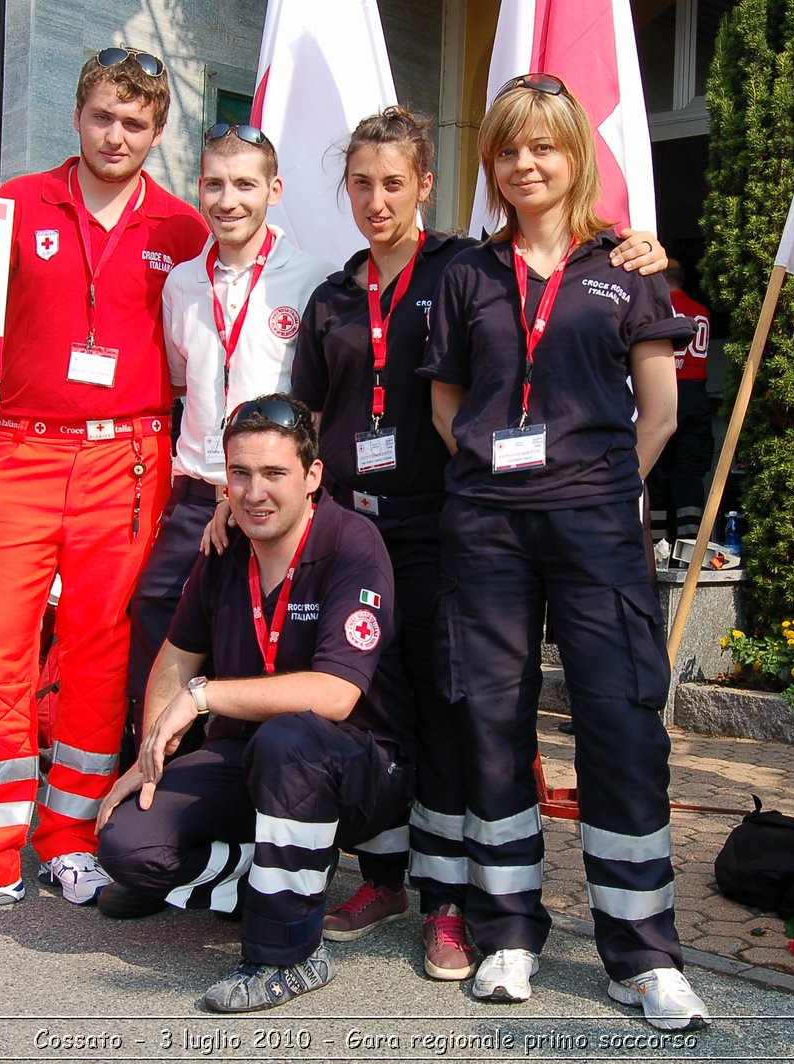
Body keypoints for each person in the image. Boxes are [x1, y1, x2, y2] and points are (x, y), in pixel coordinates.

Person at [287, 107, 671, 979]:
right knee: (417, 712)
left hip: (480, 526)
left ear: (427, 184)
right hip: (400, 523)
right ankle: (422, 890)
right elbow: (386, 410)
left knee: (523, 718)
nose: (377, 199)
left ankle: (513, 919)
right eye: (362, 183)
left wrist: (600, 488)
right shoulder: (372, 288)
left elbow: (654, 402)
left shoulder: (480, 266)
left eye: (395, 182)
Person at [0, 47, 209, 918]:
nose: (117, 135)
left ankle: (68, 840)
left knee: (99, 655)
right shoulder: (16, 203)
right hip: (23, 449)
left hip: (131, 458)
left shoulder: (182, 227)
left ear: (158, 132)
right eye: (104, 116)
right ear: (78, 114)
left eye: (136, 123)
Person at [420, 74, 709, 1031]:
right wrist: (495, 474)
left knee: (622, 726)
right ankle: (508, 932)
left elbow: (660, 409)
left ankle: (643, 954)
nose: (525, 164)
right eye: (508, 149)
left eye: (543, 146)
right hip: (489, 528)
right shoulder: (466, 272)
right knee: (491, 722)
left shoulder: (627, 268)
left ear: (575, 154)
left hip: (594, 526)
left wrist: (600, 481)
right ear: (493, 164)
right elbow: (446, 405)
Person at [96, 395, 413, 1013]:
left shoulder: (353, 542)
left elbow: (336, 694)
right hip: (246, 759)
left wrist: (203, 698)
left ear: (313, 477)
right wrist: (151, 750)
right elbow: (176, 656)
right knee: (127, 848)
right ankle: (277, 881)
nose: (254, 493)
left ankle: (288, 953)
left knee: (290, 737)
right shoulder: (223, 545)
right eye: (239, 474)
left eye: (274, 474)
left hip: (356, 768)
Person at [121, 121, 331, 767]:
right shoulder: (182, 283)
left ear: (274, 188)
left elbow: (316, 402)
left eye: (245, 183)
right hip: (194, 498)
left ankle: (243, 809)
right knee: (156, 635)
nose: (228, 199)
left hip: (270, 501)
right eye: (213, 183)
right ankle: (155, 786)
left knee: (254, 656)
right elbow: (186, 383)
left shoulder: (312, 277)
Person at [646, 260, 712, 547]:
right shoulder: (702, 311)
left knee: (656, 468)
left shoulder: (658, 307)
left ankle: (658, 541)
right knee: (688, 469)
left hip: (665, 390)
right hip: (696, 394)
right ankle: (691, 541)